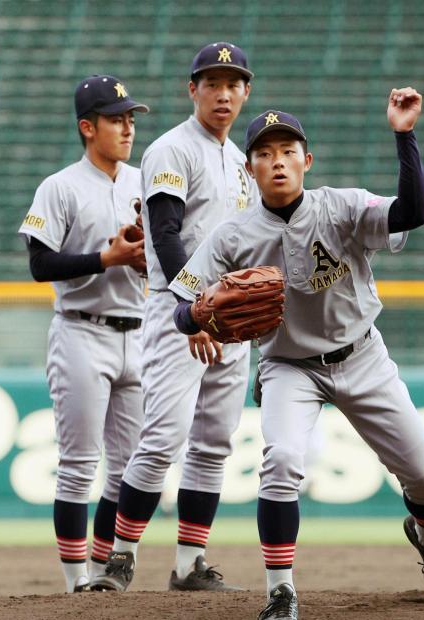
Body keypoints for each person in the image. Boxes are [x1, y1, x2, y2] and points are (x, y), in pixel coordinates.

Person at [169, 89, 424, 620]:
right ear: (249, 168)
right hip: (288, 366)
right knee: (280, 463)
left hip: (363, 355)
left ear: (307, 160)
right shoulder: (231, 235)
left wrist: (404, 134)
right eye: (264, 153)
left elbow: (413, 213)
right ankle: (280, 593)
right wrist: (201, 314)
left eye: (287, 150)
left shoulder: (342, 206)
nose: (276, 160)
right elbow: (179, 307)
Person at [90, 42, 257, 592]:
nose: (224, 93)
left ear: (245, 92)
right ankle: (120, 558)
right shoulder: (171, 149)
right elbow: (164, 235)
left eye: (233, 84)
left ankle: (189, 563)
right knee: (162, 438)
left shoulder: (241, 162)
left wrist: (229, 314)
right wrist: (195, 310)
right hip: (178, 313)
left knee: (213, 442)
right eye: (212, 83)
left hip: (230, 318)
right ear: (193, 90)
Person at [18, 75, 149, 593]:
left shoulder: (144, 181)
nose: (127, 128)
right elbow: (39, 262)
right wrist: (107, 257)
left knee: (127, 471)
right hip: (81, 332)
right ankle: (75, 583)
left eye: (130, 119)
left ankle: (103, 577)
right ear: (87, 127)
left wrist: (143, 262)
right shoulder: (61, 186)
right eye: (116, 119)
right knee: (77, 465)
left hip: (140, 334)